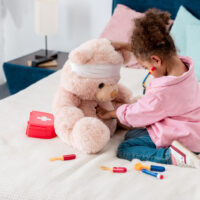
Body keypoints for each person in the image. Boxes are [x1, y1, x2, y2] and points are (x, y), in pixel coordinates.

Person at [97, 8, 200, 168]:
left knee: (125, 148)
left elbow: (139, 113)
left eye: (146, 68)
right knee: (131, 134)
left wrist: (111, 113)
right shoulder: (185, 66)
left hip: (184, 137)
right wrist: (125, 45)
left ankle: (172, 156)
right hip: (192, 127)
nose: (149, 73)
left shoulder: (163, 91)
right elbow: (154, 51)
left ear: (156, 60)